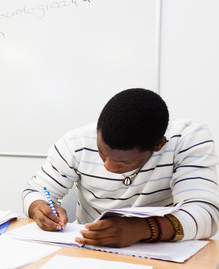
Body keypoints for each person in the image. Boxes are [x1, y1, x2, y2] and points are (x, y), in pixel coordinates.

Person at [23, 88, 219, 248]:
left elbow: (206, 214)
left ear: (159, 145)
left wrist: (142, 229)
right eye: (102, 153)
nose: (108, 167)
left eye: (125, 163)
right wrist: (38, 207)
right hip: (90, 249)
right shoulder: (77, 142)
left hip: (161, 251)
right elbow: (36, 191)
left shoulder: (188, 139)